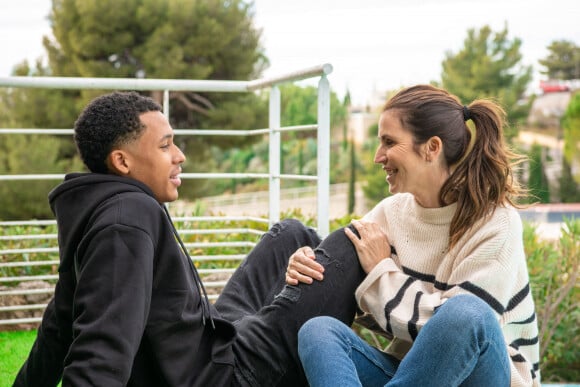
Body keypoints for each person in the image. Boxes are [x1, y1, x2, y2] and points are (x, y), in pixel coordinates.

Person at [13, 91, 368, 386]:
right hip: (227, 377)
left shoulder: (101, 212)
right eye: (165, 145)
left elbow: (58, 325)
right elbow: (102, 350)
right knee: (350, 244)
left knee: (291, 234)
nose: (180, 156)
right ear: (122, 161)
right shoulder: (126, 221)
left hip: (214, 341)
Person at [287, 85, 540, 386]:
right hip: (411, 375)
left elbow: (448, 333)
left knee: (466, 313)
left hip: (483, 376)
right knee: (319, 331)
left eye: (389, 142)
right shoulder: (390, 213)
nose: (378, 157)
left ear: (432, 148)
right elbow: (356, 298)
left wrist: (381, 274)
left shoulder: (497, 224)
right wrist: (309, 264)